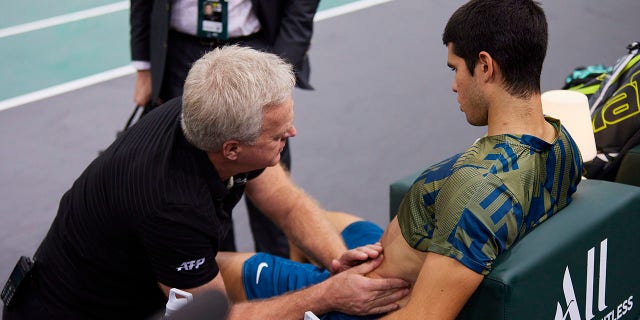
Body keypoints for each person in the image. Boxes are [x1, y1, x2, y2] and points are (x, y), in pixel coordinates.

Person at [214, 0, 584, 319]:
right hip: (397, 254)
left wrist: (330, 295)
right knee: (327, 220)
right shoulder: (562, 144)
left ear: (485, 66)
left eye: (455, 68)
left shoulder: (477, 193)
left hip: (360, 302)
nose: (454, 84)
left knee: (222, 270)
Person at [1, 46, 409, 319]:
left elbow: (283, 201)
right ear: (232, 149)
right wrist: (330, 295)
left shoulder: (208, 113)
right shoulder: (172, 206)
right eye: (279, 135)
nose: (293, 134)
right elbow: (216, 315)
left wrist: (336, 261)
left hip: (132, 271)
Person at [130, 0, 320, 257]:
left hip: (255, 52)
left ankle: (279, 278)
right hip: (181, 55)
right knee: (198, 184)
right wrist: (145, 67)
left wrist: (282, 64)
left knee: (269, 173)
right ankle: (216, 275)